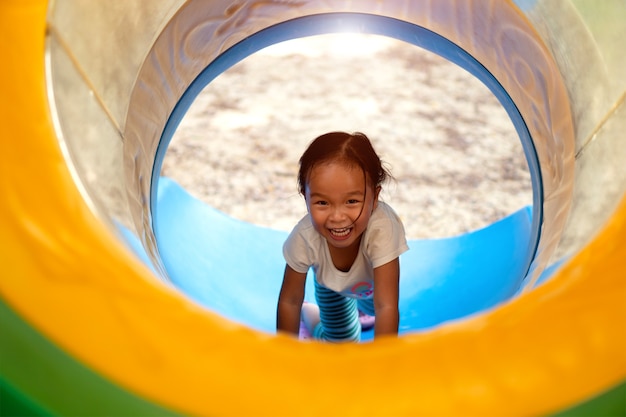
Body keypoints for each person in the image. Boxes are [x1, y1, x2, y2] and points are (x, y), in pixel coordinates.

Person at [276, 131, 409, 342]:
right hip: (331, 285)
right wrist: (285, 353)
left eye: (352, 202)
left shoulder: (383, 228)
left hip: (372, 282)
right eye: (322, 203)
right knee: (341, 343)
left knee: (375, 309)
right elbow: (289, 301)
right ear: (306, 197)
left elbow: (387, 306)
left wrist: (383, 366)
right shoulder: (305, 237)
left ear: (374, 198)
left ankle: (360, 309)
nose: (337, 217)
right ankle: (309, 312)